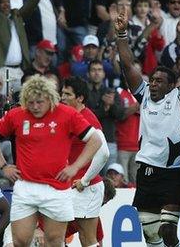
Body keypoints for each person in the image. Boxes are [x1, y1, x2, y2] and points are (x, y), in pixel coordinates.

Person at [0, 75, 105, 246]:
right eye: (31, 102)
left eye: (40, 102)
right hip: (26, 186)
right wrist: (4, 166)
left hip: (57, 188)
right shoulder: (16, 115)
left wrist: (75, 167)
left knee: (54, 241)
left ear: (50, 98)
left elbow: (96, 141)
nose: (35, 107)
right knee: (20, 241)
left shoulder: (67, 114)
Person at [115, 10, 180, 246]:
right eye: (152, 80)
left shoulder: (178, 97)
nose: (153, 84)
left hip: (174, 170)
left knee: (168, 230)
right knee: (151, 235)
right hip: (147, 170)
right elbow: (128, 64)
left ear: (172, 85)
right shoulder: (144, 97)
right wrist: (121, 34)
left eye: (159, 81)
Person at [61, 76, 110, 246]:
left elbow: (104, 153)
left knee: (87, 239)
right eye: (62, 93)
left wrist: (85, 180)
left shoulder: (87, 118)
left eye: (67, 94)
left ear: (80, 98)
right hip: (73, 186)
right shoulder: (71, 116)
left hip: (85, 188)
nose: (63, 97)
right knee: (57, 234)